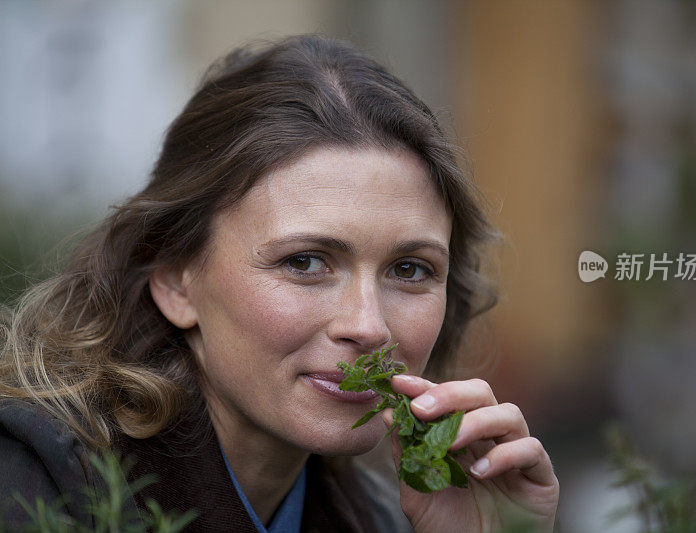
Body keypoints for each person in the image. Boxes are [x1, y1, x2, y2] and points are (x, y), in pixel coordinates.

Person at [0, 35, 559, 532]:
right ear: (174, 280)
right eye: (305, 263)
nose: (369, 326)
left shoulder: (382, 515)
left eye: (409, 270)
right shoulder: (37, 485)